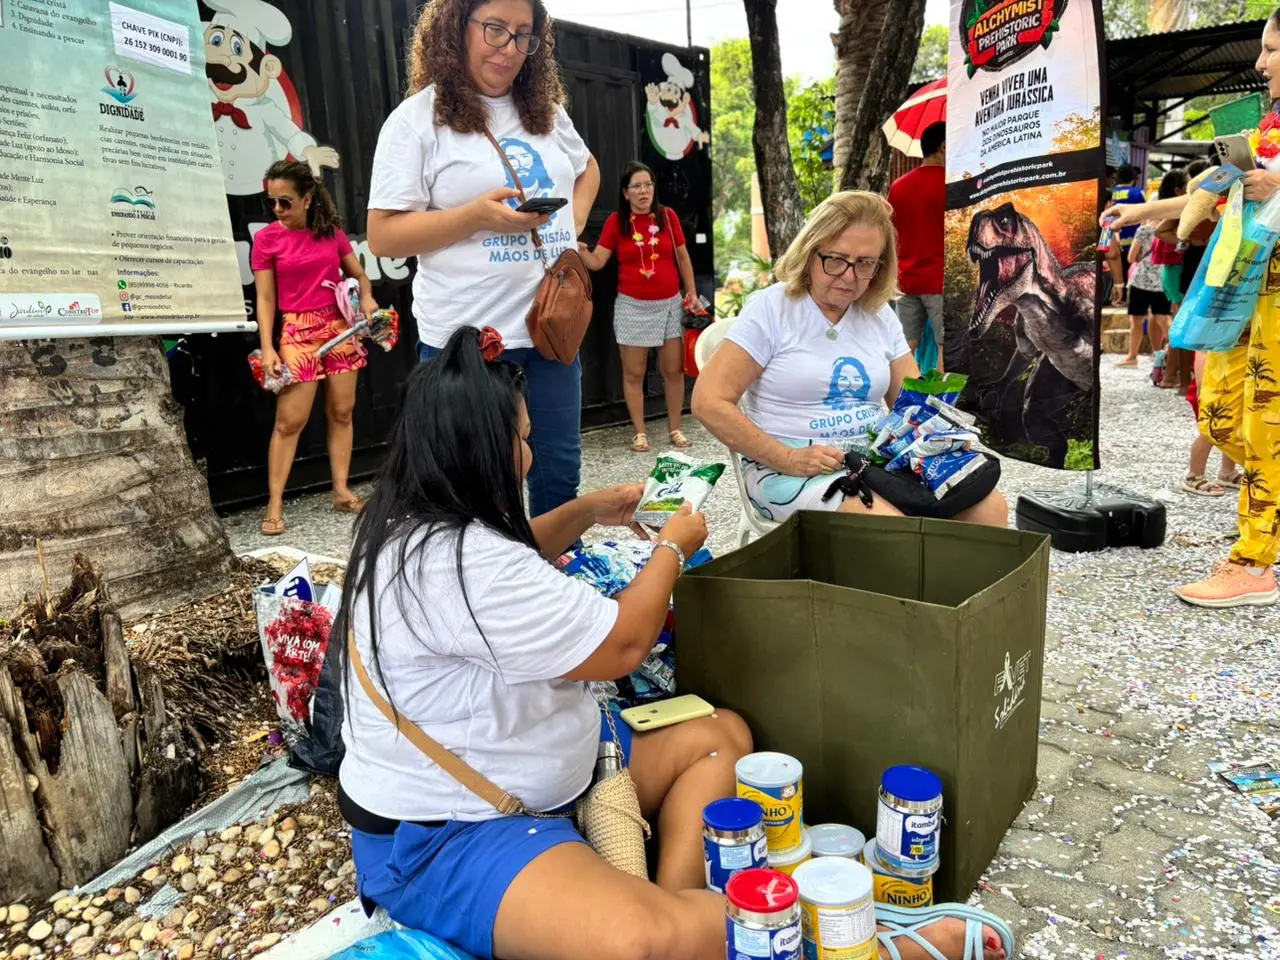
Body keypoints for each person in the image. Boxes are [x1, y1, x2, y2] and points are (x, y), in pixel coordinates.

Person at [336, 325, 1011, 960]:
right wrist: (670, 550)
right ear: (482, 451)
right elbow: (625, 646)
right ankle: (869, 939)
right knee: (637, 942)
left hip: (550, 764)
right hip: (454, 831)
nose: (530, 453)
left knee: (722, 736)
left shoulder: (413, 520)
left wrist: (583, 512)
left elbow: (509, 557)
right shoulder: (464, 563)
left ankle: (679, 910)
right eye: (522, 437)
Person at [365, 0, 602, 518]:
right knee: (468, 495)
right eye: (495, 29)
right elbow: (382, 236)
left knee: (558, 474)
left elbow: (588, 171)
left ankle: (553, 582)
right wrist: (474, 217)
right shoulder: (416, 121)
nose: (510, 47)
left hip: (549, 332)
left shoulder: (546, 113)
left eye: (524, 35)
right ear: (456, 27)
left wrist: (571, 226)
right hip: (467, 343)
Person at [1100, 12, 1280, 607]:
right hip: (1242, 297)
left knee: (1263, 427)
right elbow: (1209, 186)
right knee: (1220, 419)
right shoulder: (1268, 128)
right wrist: (1139, 214)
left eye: (1272, 50)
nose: (1260, 64)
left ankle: (1254, 563)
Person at [691, 191, 1008, 528]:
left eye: (865, 263)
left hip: (873, 458)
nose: (849, 276)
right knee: (889, 526)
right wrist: (787, 458)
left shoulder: (878, 315)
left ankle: (947, 581)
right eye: (836, 259)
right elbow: (708, 401)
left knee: (989, 509)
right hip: (787, 462)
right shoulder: (771, 309)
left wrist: (946, 435)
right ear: (809, 251)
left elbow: (911, 406)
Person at [252, 159, 380, 536]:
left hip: (338, 326)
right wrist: (269, 347)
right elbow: (265, 298)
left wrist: (368, 299)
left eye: (285, 202)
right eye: (271, 202)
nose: (277, 210)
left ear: (308, 199)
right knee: (289, 421)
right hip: (297, 330)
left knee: (342, 410)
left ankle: (341, 489)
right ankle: (275, 502)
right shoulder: (267, 240)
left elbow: (359, 275)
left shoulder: (332, 233)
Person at [578, 162, 700, 452]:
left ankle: (675, 429)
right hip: (632, 307)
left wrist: (691, 292)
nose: (643, 191)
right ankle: (640, 433)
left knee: (672, 370)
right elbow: (598, 261)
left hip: (670, 303)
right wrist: (580, 251)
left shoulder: (667, 217)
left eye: (648, 184)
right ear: (626, 192)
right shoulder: (616, 222)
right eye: (636, 186)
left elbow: (683, 258)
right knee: (634, 372)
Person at [886, 121, 947, 368]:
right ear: (943, 147)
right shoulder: (950, 185)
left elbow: (890, 231)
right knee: (946, 346)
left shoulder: (898, 186)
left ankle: (900, 397)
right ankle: (943, 403)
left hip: (906, 279)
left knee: (906, 346)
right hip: (939, 280)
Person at [1150, 170, 1191, 391]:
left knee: (1177, 321)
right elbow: (1160, 232)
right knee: (1179, 323)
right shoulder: (1181, 208)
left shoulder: (1166, 206)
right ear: (1179, 190)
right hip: (1176, 268)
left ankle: (1170, 375)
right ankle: (1172, 375)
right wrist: (1191, 240)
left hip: (1171, 269)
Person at [1117, 217, 1171, 369]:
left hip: (1141, 280)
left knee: (1137, 321)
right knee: (1163, 318)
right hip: (1163, 279)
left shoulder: (1145, 229)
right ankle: (1176, 355)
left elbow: (1131, 257)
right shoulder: (1170, 228)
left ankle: (1132, 357)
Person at [1106, 164, 1146, 306]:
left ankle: (1116, 297)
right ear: (1134, 179)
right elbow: (1145, 215)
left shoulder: (1111, 192)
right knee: (1132, 269)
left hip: (1112, 239)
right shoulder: (1137, 193)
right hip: (1133, 241)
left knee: (1115, 268)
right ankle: (1127, 297)